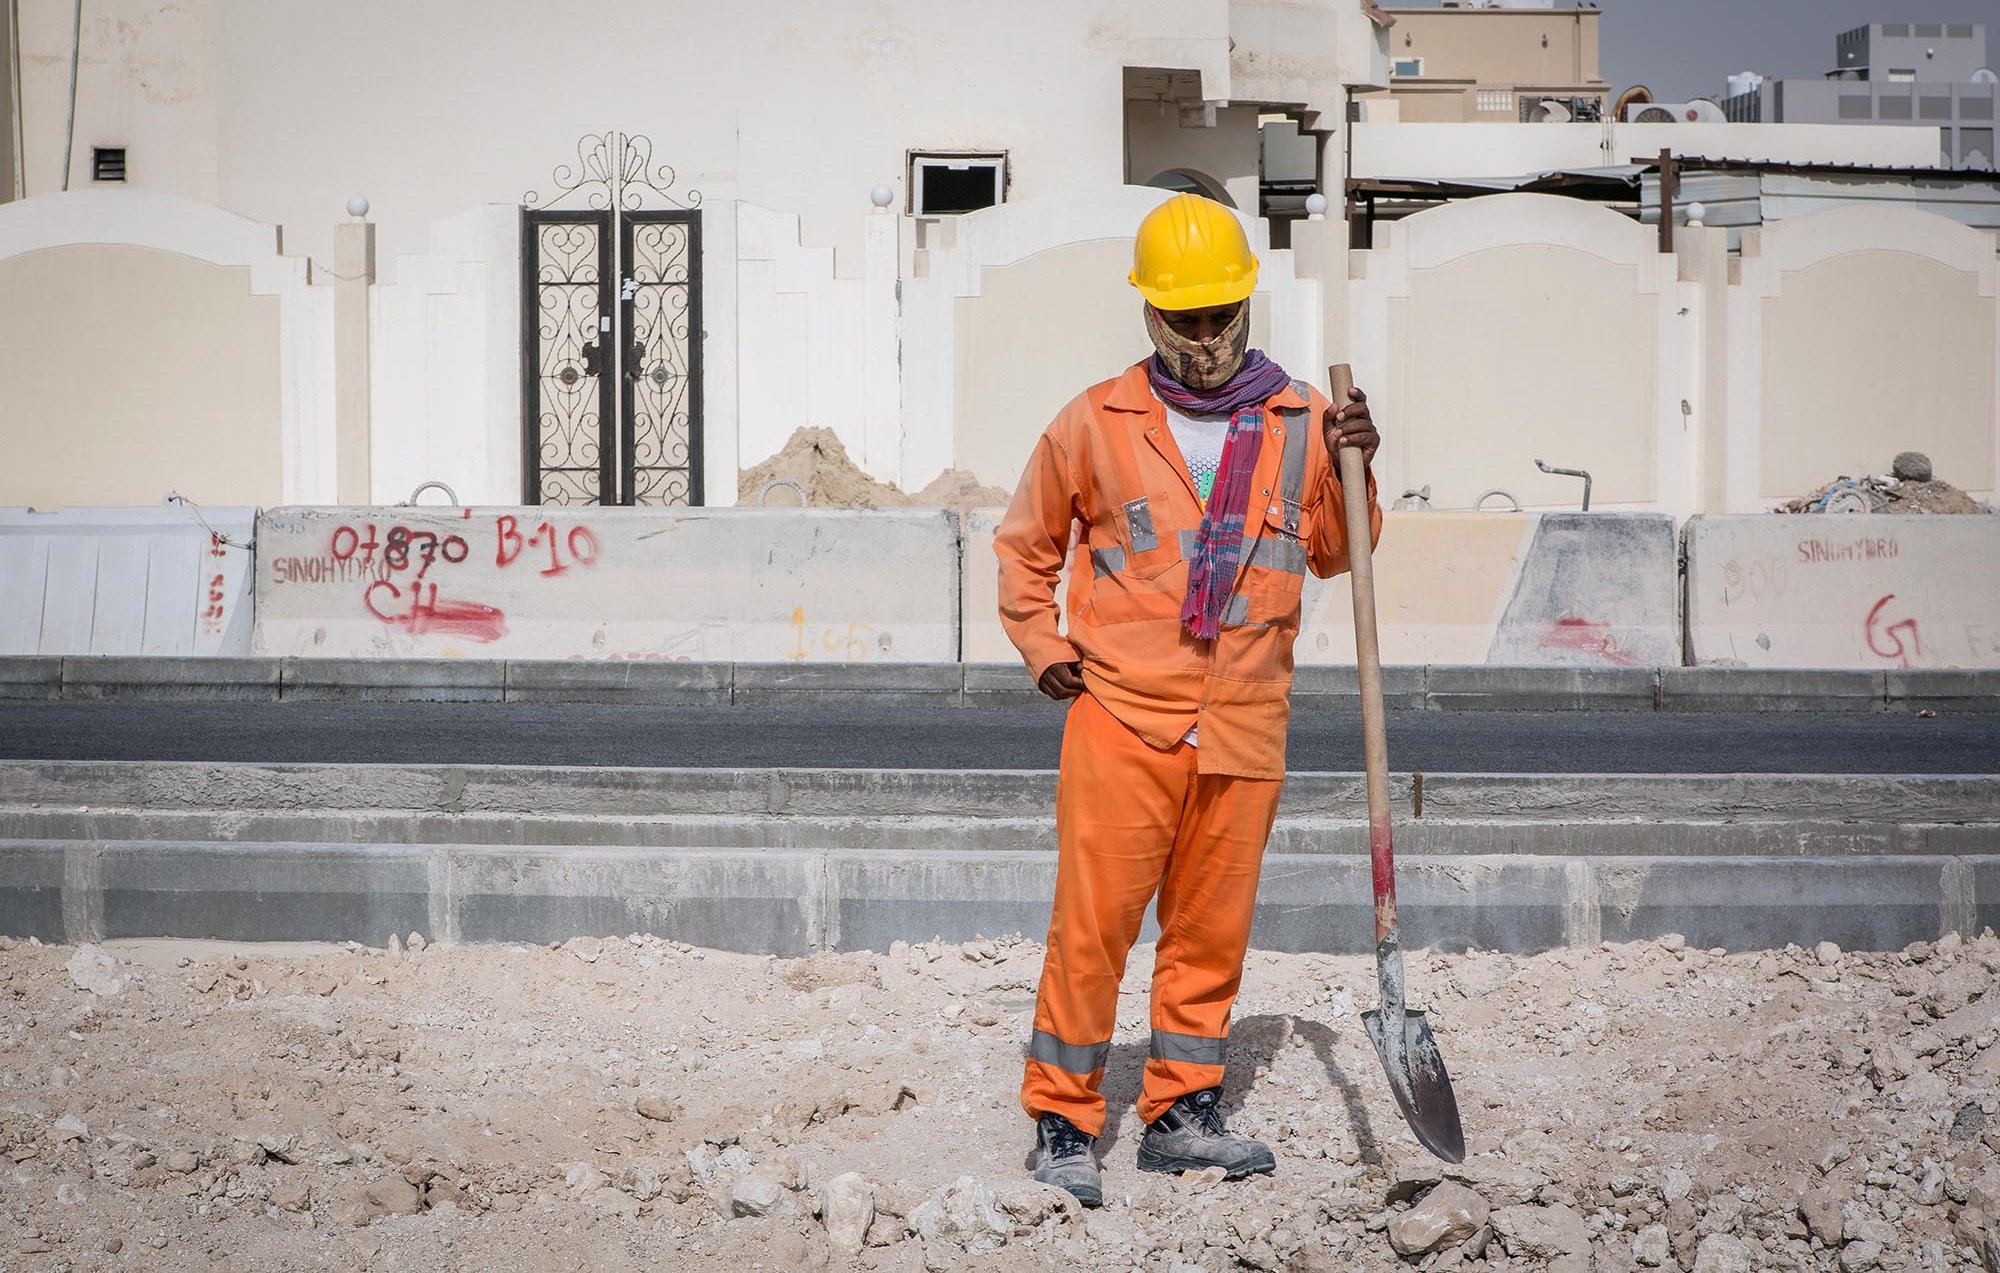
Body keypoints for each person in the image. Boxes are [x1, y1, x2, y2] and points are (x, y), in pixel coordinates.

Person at [993, 192, 1382, 1207]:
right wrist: (1042, 644)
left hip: (1244, 719)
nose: (1205, 338)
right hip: (1123, 716)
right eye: (1184, 319)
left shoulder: (1300, 418)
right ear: (1150, 313)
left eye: (1219, 316)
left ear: (1245, 305)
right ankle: (1064, 1118)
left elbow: (1336, 552)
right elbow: (1025, 545)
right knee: (1092, 929)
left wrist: (1359, 464)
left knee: (1209, 933)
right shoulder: (1095, 420)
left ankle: (1180, 1111)